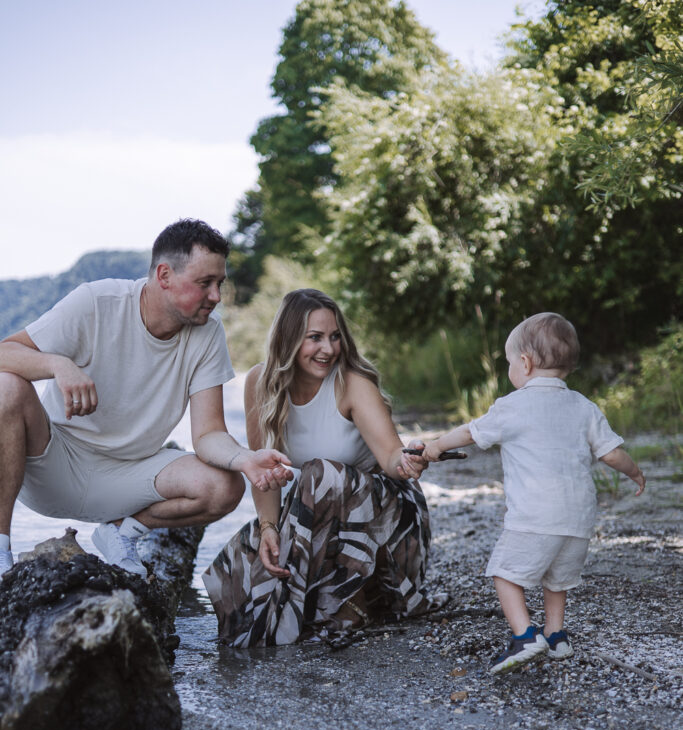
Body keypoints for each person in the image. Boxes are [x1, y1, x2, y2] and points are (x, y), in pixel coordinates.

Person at [0, 219, 292, 579]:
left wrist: (245, 459)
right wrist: (56, 364)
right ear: (165, 275)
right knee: (7, 387)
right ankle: (1, 550)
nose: (216, 296)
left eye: (219, 283)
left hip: (129, 478)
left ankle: (120, 534)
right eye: (205, 283)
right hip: (53, 467)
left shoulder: (208, 333)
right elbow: (4, 353)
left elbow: (208, 433)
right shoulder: (96, 302)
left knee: (225, 486)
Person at [202, 288, 432, 646]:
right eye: (315, 338)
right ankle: (314, 605)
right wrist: (267, 528)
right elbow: (264, 471)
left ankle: (354, 595)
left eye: (335, 337)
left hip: (387, 519)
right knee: (246, 572)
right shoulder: (260, 384)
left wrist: (408, 461)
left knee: (317, 474)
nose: (328, 348)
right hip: (322, 512)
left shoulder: (353, 383)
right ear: (289, 339)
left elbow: (390, 457)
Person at [421, 312, 646, 674]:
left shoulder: (513, 406)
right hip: (578, 519)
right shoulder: (584, 406)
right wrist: (636, 472)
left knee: (504, 573)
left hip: (534, 516)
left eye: (510, 362)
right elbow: (611, 453)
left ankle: (525, 635)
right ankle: (556, 636)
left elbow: (469, 433)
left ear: (524, 363)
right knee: (557, 578)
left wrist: (433, 446)